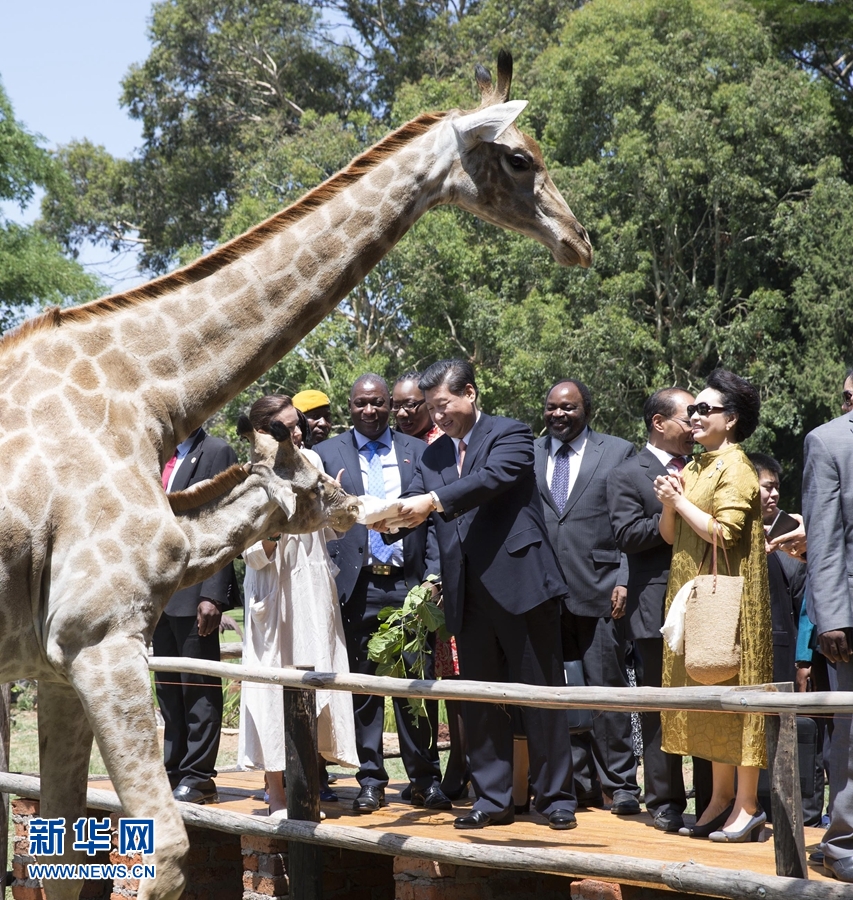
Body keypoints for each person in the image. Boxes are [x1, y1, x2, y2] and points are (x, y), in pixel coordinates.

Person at [387, 359, 577, 831]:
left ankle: (554, 798)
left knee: (541, 696)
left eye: (444, 405)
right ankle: (492, 800)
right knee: (479, 700)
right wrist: (376, 518)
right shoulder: (431, 456)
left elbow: (492, 479)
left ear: (469, 393)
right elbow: (411, 506)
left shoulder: (511, 433)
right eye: (431, 409)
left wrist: (432, 502)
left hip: (523, 583)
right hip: (465, 592)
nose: (437, 417)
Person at [315, 374, 446, 814]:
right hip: (357, 586)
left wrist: (432, 577)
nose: (369, 411)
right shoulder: (325, 454)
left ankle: (425, 779)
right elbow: (316, 523)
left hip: (409, 586)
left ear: (390, 405)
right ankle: (370, 780)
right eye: (360, 404)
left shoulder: (417, 452)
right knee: (364, 689)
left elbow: (433, 523)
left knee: (415, 686)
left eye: (377, 403)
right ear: (348, 407)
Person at [653, 369, 772, 843]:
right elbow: (671, 536)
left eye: (705, 409)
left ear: (732, 418)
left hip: (732, 606)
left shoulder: (737, 467)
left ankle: (748, 805)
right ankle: (720, 800)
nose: (694, 416)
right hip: (695, 601)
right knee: (713, 702)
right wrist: (670, 504)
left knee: (740, 700)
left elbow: (726, 532)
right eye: (692, 409)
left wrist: (680, 503)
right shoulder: (697, 465)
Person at [237, 395, 358, 816]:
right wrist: (275, 522)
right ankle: (277, 794)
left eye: (298, 424)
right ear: (264, 433)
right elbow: (249, 549)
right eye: (287, 427)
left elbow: (333, 528)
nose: (298, 433)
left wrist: (339, 507)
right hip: (273, 592)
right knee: (273, 685)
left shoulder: (311, 462)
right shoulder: (247, 475)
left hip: (312, 588)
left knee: (314, 680)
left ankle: (307, 788)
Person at [606, 387, 712, 832]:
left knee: (710, 702)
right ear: (658, 422)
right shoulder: (627, 474)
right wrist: (673, 513)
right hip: (654, 604)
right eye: (688, 417)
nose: (695, 426)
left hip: (709, 599)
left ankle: (712, 800)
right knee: (659, 706)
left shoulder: (709, 466)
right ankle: (665, 802)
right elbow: (627, 535)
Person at [534, 380, 640, 814]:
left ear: (587, 410)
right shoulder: (530, 451)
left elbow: (632, 521)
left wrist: (625, 578)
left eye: (569, 408)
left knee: (605, 690)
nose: (559, 415)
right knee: (560, 693)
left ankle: (621, 785)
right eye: (552, 408)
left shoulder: (617, 452)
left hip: (601, 588)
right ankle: (578, 784)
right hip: (543, 593)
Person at [152, 426, 239, 804]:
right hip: (158, 592)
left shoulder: (216, 451)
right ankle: (172, 768)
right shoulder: (156, 452)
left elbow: (224, 524)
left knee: (198, 688)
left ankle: (199, 774)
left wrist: (213, 595)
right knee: (168, 690)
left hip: (195, 591)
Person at [392, 372, 468, 801]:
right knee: (432, 684)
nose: (405, 412)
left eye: (413, 405)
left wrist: (436, 575)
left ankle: (464, 765)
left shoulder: (447, 447)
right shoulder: (409, 451)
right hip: (422, 588)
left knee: (460, 682)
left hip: (451, 582)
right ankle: (439, 773)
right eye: (398, 406)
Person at [802, 397, 853, 882]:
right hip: (850, 620)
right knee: (852, 735)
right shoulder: (829, 440)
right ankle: (842, 843)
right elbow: (824, 535)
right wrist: (832, 617)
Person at [392, 372, 442, 443]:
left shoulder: (452, 441)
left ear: (429, 403)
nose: (400, 414)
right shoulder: (391, 445)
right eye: (396, 406)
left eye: (409, 405)